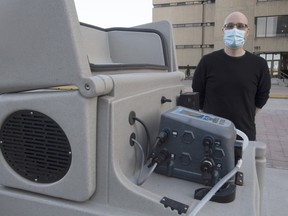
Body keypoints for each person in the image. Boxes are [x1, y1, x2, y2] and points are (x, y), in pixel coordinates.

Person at [192, 11, 271, 141]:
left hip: (244, 135)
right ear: (223, 30)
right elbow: (198, 95)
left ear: (247, 31)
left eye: (240, 26)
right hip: (211, 135)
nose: (235, 30)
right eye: (230, 26)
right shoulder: (207, 62)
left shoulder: (259, 64)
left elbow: (262, 97)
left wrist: (247, 115)